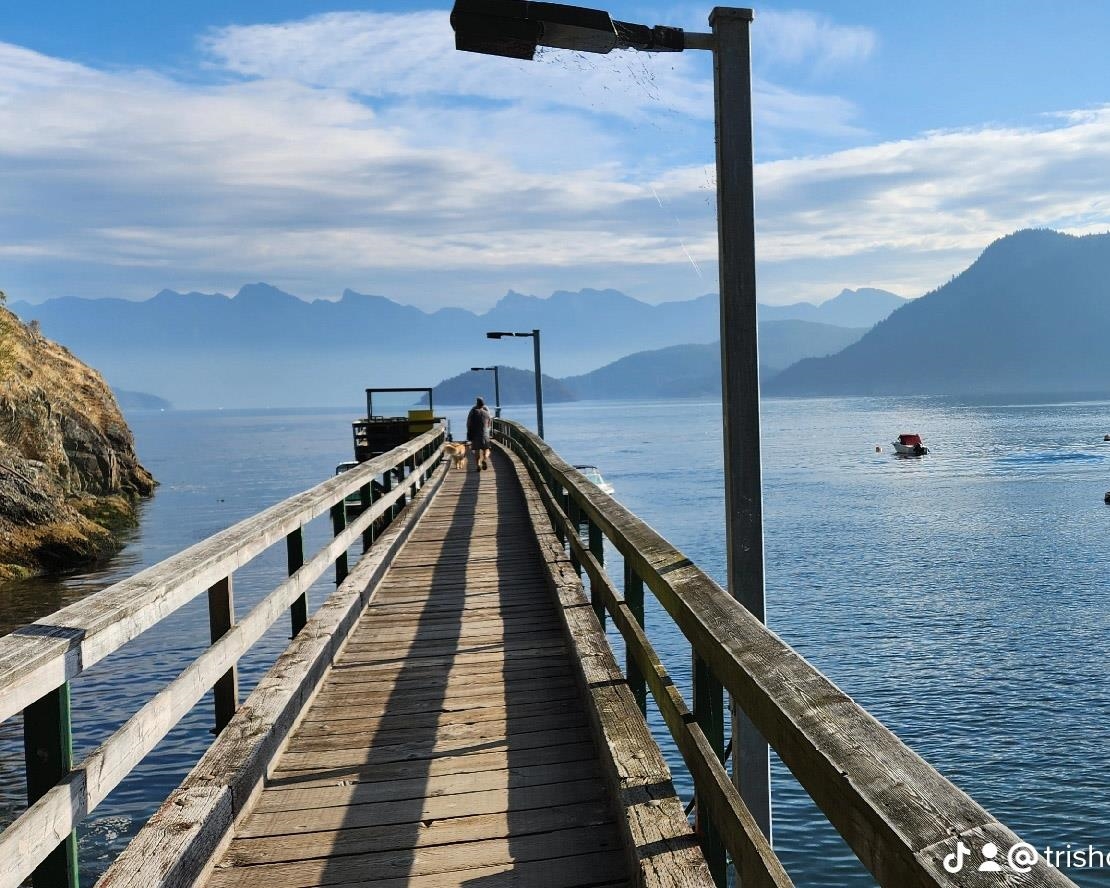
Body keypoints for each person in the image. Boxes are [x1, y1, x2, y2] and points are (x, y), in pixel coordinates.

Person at [466, 396, 492, 471]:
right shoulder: (486, 412)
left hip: (475, 434)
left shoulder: (473, 411)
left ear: (476, 403)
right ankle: (484, 459)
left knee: (477, 450)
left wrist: (469, 431)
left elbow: (468, 422)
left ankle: (478, 465)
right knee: (486, 449)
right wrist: (487, 430)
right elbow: (489, 423)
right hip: (485, 434)